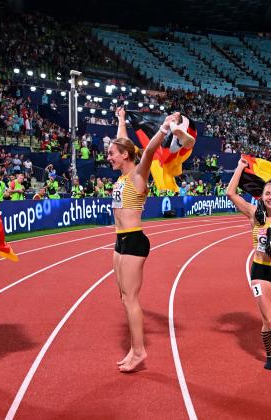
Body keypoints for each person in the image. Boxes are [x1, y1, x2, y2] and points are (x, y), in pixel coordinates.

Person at [109, 108, 186, 373]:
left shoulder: (138, 175)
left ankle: (139, 351)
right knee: (123, 297)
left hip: (133, 241)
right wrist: (121, 121)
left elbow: (149, 150)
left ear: (125, 156)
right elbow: (123, 142)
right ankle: (134, 348)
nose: (109, 157)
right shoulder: (121, 176)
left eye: (112, 154)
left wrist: (164, 128)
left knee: (130, 299)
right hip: (120, 242)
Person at [226, 157, 271, 371]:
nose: (270, 197)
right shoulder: (254, 214)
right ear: (262, 196)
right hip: (260, 271)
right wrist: (239, 167)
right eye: (267, 193)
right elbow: (230, 194)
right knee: (268, 320)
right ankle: (269, 355)